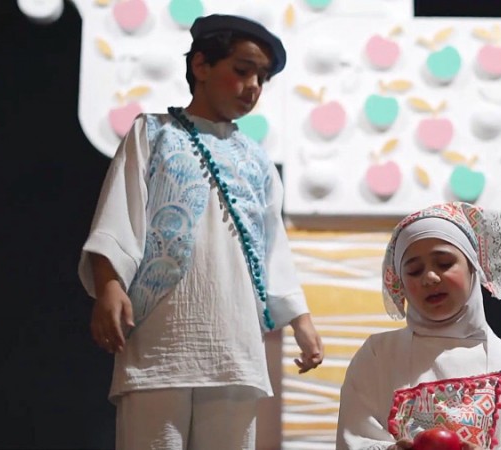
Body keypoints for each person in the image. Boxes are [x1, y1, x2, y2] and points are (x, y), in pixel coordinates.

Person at [77, 14, 323, 450]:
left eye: (262, 78)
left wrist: (299, 319)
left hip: (235, 347)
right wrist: (109, 284)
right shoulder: (153, 133)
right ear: (201, 65)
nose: (253, 86)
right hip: (161, 340)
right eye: (242, 70)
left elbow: (273, 249)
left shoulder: (257, 161)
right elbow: (119, 215)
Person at [336, 202, 501, 450]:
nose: (430, 278)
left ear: (473, 267)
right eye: (414, 270)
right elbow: (354, 439)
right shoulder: (379, 355)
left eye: (444, 263)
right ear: (400, 283)